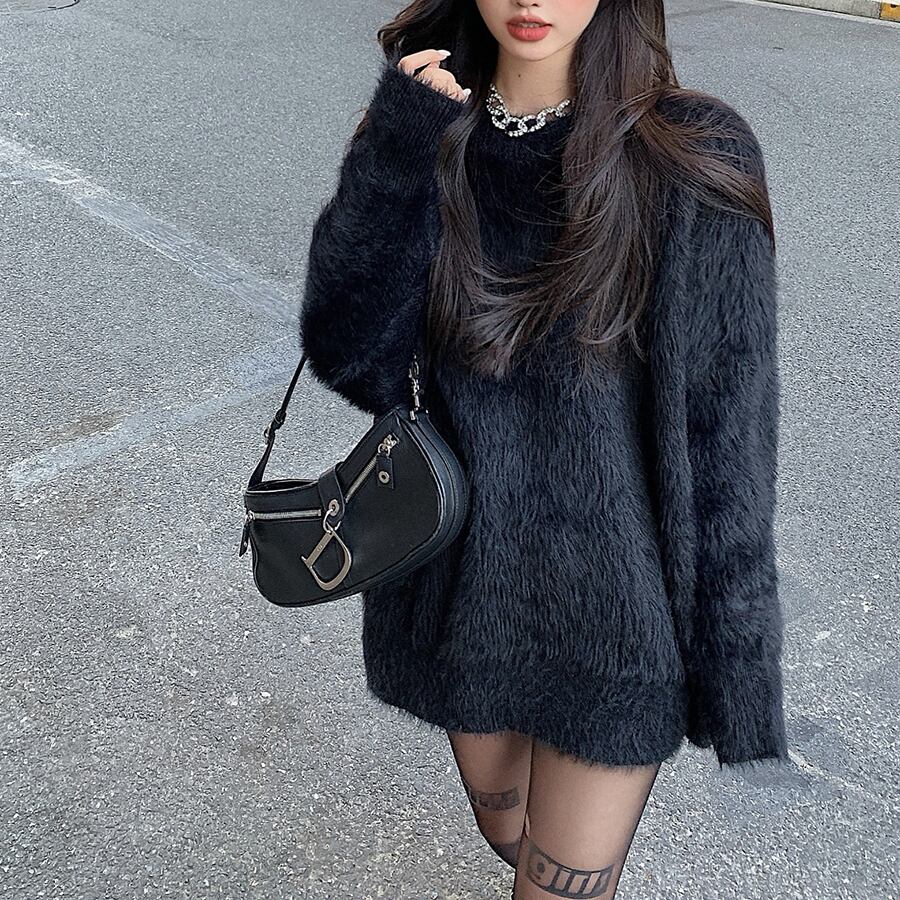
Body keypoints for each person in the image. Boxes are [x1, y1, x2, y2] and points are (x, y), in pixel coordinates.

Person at [299, 0, 790, 896]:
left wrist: (737, 665)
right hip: (459, 589)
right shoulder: (425, 127)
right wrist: (398, 153)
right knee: (505, 824)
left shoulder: (691, 153)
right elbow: (349, 356)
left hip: (616, 619)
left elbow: (730, 436)